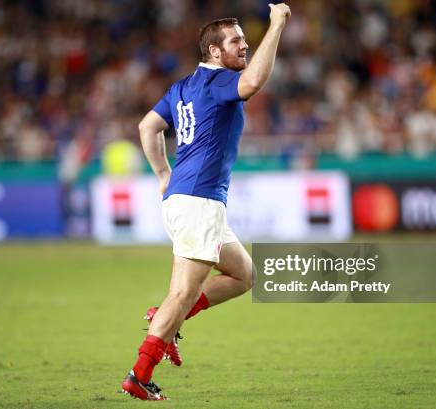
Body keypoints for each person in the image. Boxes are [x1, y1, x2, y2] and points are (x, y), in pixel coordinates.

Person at [121, 3, 291, 400]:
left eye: (245, 40)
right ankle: (139, 375)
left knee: (244, 275)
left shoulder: (182, 88)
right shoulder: (218, 85)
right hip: (198, 203)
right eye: (236, 41)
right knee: (180, 294)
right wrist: (277, 24)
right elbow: (252, 83)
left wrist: (164, 173)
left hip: (190, 199)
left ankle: (167, 320)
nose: (244, 46)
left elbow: (148, 126)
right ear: (215, 51)